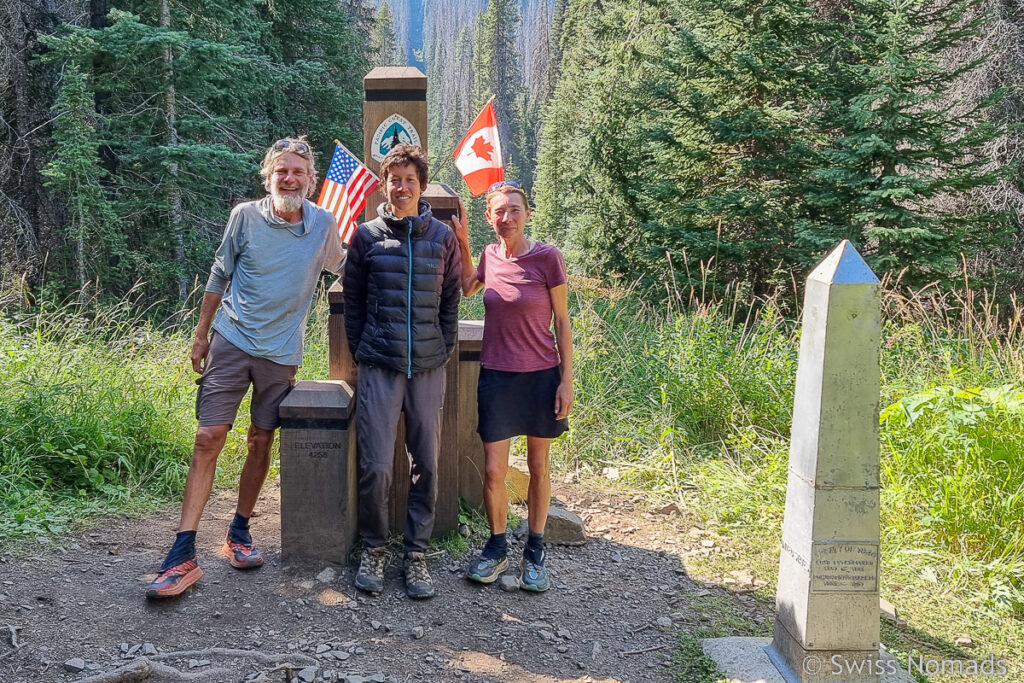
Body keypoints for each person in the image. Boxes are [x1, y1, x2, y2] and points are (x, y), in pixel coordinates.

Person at [146, 137, 345, 599]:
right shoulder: (245, 217)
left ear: (311, 180)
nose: (289, 179)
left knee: (261, 439)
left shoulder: (323, 225)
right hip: (232, 340)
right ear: (269, 177)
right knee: (208, 437)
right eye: (281, 172)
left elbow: (345, 268)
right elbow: (219, 275)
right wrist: (200, 335)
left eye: (298, 171)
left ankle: (239, 531)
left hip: (281, 353)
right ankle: (182, 552)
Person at [343, 144, 461, 599]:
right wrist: (363, 348)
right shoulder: (367, 237)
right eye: (395, 179)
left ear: (422, 184)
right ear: (384, 184)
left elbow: (451, 299)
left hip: (428, 366)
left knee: (426, 464)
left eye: (410, 179)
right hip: (380, 365)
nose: (402, 186)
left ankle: (416, 553)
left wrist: (443, 345)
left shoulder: (441, 237)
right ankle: (374, 546)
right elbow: (353, 302)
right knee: (375, 464)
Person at [452, 181, 573, 592]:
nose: (507, 218)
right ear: (490, 217)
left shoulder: (547, 259)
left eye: (514, 210)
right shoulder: (489, 254)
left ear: (527, 213)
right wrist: (465, 243)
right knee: (492, 471)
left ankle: (535, 549)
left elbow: (562, 322)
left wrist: (567, 382)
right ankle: (498, 545)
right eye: (499, 212)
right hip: (498, 375)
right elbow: (469, 286)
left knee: (539, 466)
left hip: (541, 375)